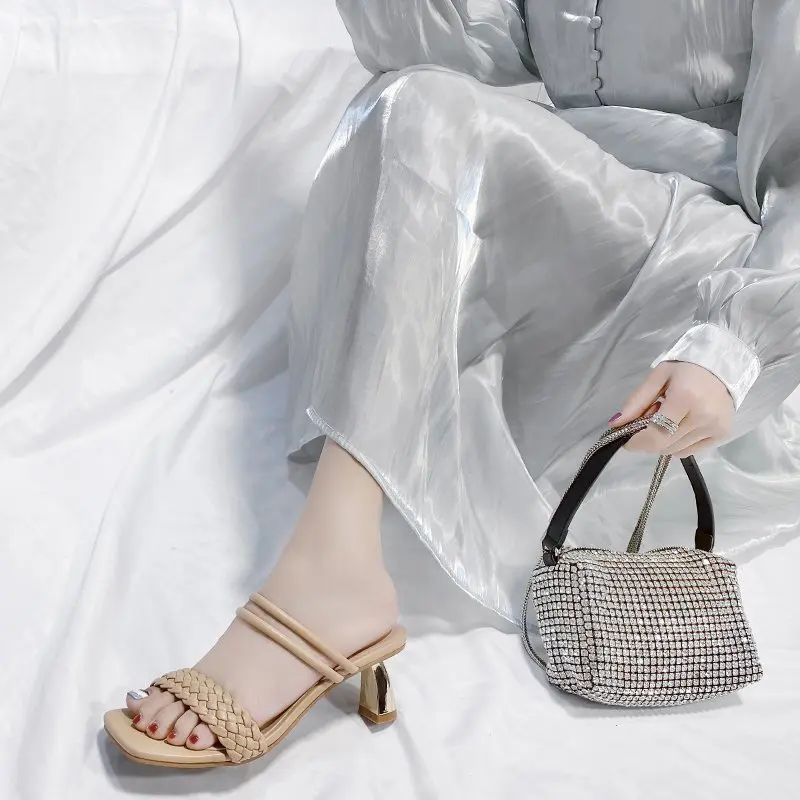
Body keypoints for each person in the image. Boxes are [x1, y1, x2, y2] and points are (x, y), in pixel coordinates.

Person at [104, 0, 800, 766]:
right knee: (409, 99)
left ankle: (329, 575)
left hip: (721, 268)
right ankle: (340, 546)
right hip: (582, 215)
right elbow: (458, 51)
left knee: (430, 109)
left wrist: (732, 345)